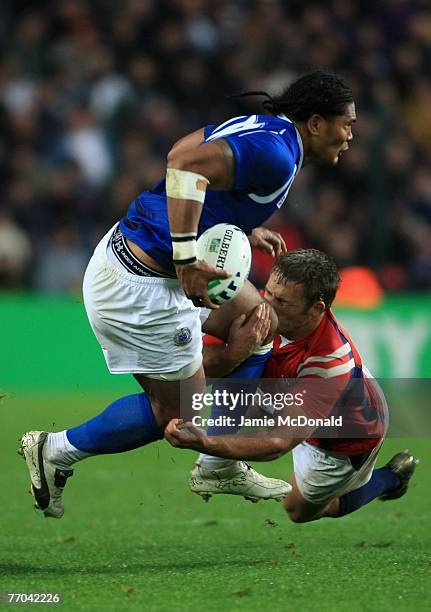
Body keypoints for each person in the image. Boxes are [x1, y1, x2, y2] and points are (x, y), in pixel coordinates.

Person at [20, 70, 356, 518]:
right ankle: (56, 450)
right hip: (140, 286)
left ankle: (219, 467)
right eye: (346, 124)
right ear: (316, 123)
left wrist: (236, 222)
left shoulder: (271, 133)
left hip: (142, 255)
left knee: (262, 323)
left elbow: (188, 155)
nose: (351, 135)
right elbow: (183, 163)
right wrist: (185, 257)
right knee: (180, 416)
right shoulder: (276, 153)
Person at [165, 250, 419, 523]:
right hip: (290, 398)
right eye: (269, 293)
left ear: (317, 309)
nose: (268, 305)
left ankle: (390, 478)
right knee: (241, 388)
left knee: (297, 510)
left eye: (283, 302)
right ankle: (219, 465)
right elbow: (205, 364)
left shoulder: (329, 363)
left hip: (342, 437)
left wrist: (206, 442)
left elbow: (277, 443)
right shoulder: (260, 311)